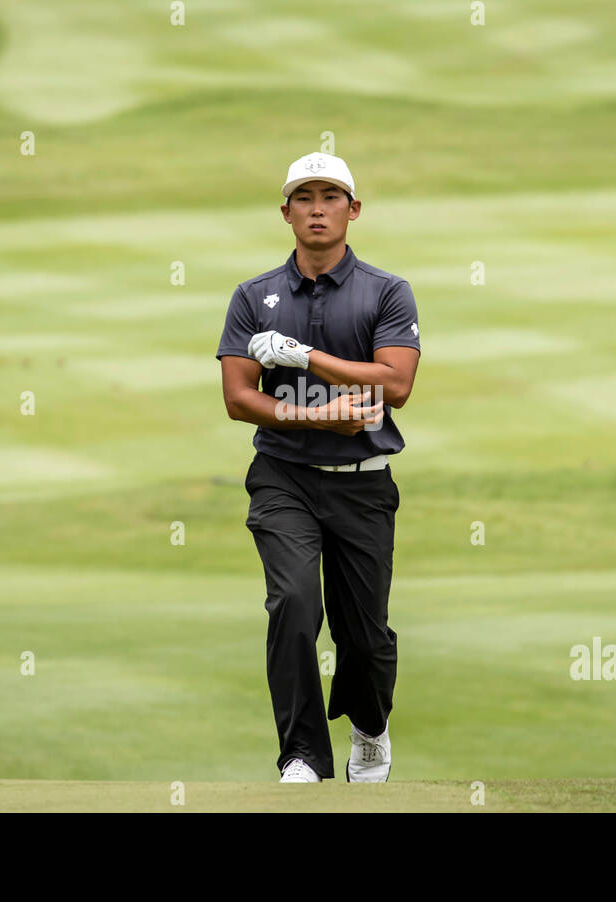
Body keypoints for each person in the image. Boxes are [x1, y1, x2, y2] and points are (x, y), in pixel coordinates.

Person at [215, 152, 421, 783]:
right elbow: (237, 399)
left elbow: (396, 385)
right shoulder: (254, 297)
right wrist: (315, 418)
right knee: (295, 604)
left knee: (365, 634)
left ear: (353, 209)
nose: (317, 208)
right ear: (286, 213)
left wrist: (303, 356)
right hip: (284, 479)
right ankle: (303, 753)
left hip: (362, 484)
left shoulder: (385, 292)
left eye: (331, 196)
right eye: (304, 198)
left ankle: (370, 727)